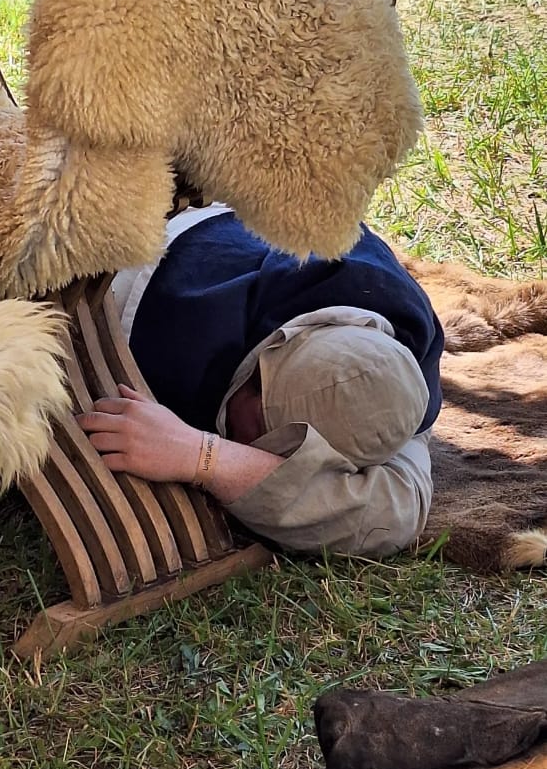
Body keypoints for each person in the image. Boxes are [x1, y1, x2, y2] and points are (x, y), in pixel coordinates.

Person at [78, 205, 445, 559]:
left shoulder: (410, 344)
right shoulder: (174, 336)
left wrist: (203, 456)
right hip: (169, 233)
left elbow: (395, 513)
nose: (245, 445)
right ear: (254, 374)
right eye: (256, 427)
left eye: (275, 451)